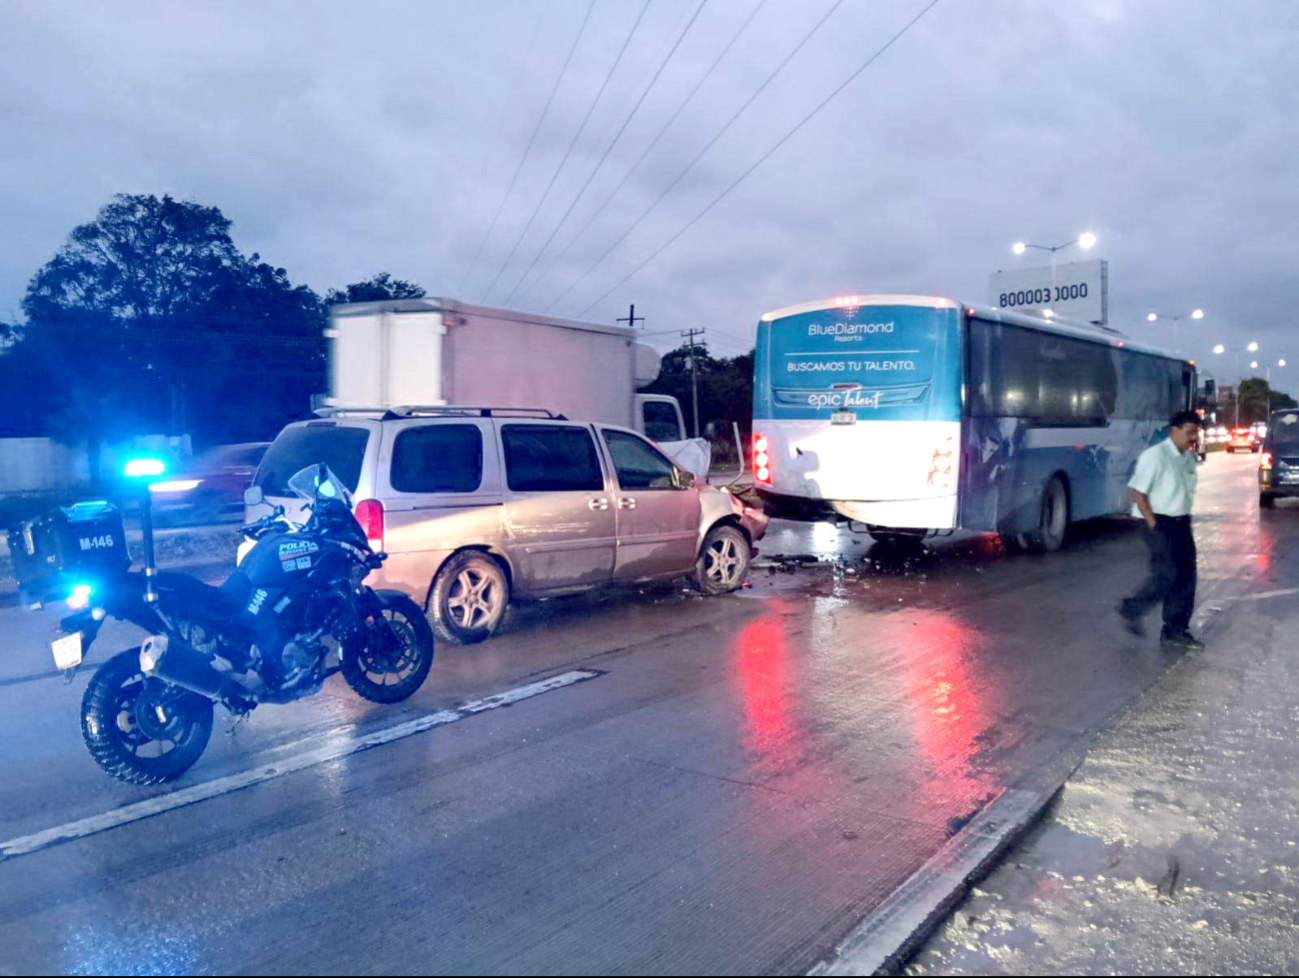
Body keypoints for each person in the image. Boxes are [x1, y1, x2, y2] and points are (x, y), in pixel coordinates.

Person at [1118, 410, 1204, 649]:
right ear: (1173, 431)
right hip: (1158, 521)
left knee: (1187, 575)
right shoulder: (1155, 456)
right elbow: (1138, 492)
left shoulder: (1187, 457)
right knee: (1167, 573)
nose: (1192, 438)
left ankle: (1175, 630)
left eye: (1195, 433)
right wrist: (1153, 525)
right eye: (1188, 433)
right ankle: (1132, 608)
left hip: (1181, 522)